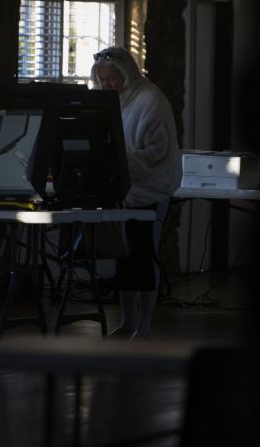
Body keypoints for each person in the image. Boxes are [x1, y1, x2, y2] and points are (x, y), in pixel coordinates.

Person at [90, 46, 182, 339]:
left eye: (112, 79)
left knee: (143, 256)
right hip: (123, 191)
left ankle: (144, 324)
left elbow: (156, 151)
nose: (107, 85)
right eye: (102, 79)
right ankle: (128, 321)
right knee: (124, 258)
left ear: (126, 75)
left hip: (150, 192)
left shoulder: (150, 101)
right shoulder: (113, 102)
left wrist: (119, 159)